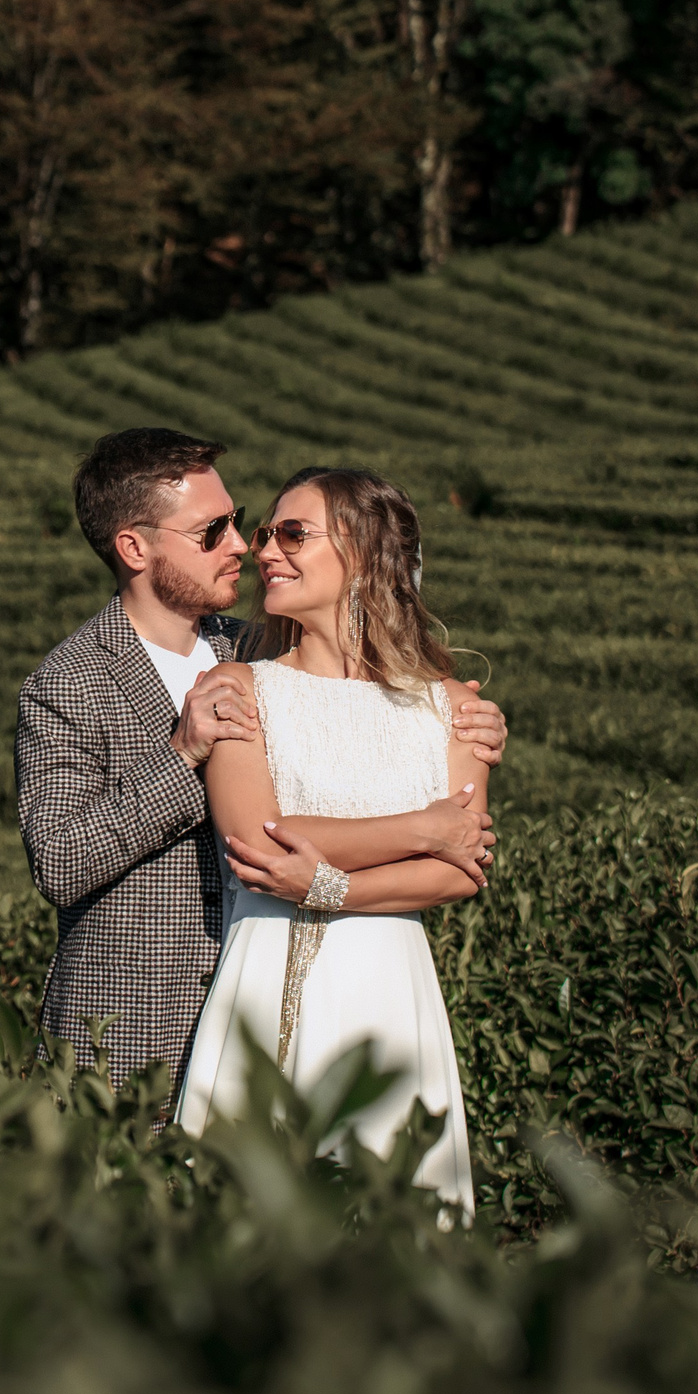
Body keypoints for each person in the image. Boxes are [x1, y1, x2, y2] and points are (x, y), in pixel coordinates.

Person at [15, 430, 506, 1104]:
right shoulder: (70, 682)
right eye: (212, 530)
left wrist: (466, 722)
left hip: (287, 991)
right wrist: (181, 754)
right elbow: (61, 860)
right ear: (135, 547)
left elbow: (359, 697)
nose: (242, 545)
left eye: (239, 521)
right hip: (136, 1031)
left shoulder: (258, 651)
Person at [172, 466, 491, 1219]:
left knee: (395, 1224)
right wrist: (422, 829)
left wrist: (331, 884)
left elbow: (461, 872)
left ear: (364, 551)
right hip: (265, 970)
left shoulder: (456, 707)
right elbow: (260, 840)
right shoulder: (239, 688)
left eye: (292, 533)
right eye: (264, 534)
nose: (264, 552)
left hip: (390, 985)